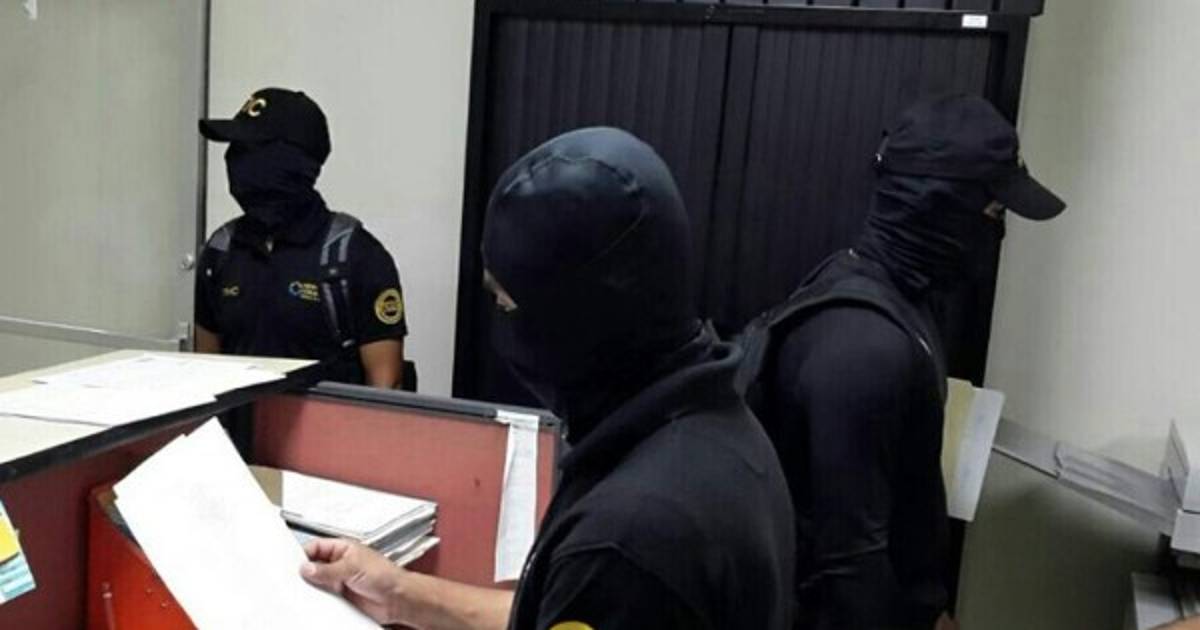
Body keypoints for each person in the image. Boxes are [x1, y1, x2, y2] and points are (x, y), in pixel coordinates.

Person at [300, 127, 796, 629]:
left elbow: (596, 591)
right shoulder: (715, 429)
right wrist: (401, 595)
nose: (499, 322)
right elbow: (561, 612)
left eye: (506, 302)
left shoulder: (627, 542)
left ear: (574, 316)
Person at [736, 94, 1067, 629]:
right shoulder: (864, 347)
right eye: (995, 213)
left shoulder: (895, 299)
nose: (1000, 233)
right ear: (940, 207)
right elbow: (849, 569)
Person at [194, 87, 408, 388]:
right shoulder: (221, 251)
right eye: (235, 148)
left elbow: (385, 389)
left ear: (294, 160)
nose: (236, 159)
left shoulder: (356, 257)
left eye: (249, 148)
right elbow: (206, 374)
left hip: (328, 419)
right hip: (240, 419)